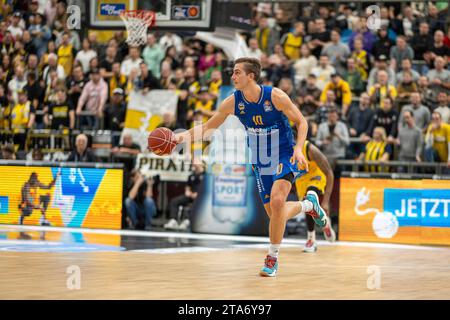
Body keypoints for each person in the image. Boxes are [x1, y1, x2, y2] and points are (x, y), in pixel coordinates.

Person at [175, 57, 328, 277]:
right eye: (233, 72)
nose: (233, 76)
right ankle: (308, 205)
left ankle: (272, 258)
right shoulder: (232, 102)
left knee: (277, 202)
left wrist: (298, 149)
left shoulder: (275, 96)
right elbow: (208, 128)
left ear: (251, 76)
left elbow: (301, 122)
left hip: (284, 154)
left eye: (237, 72)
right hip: (260, 160)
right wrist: (177, 139)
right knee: (276, 213)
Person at [294, 140, 335, 253]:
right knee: (307, 208)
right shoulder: (283, 151)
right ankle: (325, 223)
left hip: (316, 176)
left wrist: (326, 201)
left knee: (309, 199)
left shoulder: (309, 149)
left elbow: (329, 173)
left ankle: (311, 240)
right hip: (301, 180)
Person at [164, 163, 205, 231]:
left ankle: (187, 221)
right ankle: (173, 220)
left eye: (196, 162)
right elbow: (187, 186)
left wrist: (199, 194)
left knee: (196, 203)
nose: (194, 164)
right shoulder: (191, 175)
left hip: (200, 197)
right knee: (174, 201)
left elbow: (206, 188)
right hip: (190, 195)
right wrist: (187, 191)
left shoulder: (206, 176)